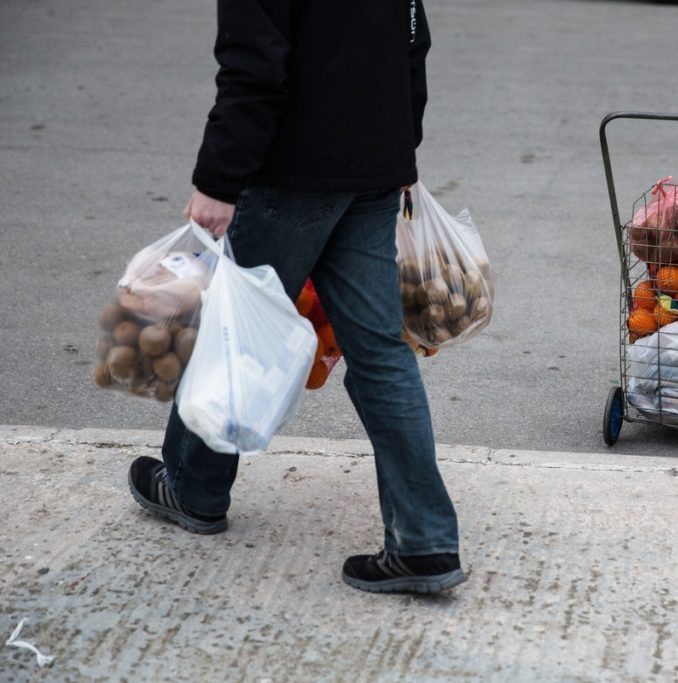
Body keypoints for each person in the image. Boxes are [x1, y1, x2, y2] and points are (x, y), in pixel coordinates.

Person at [126, 0, 465, 595]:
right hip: (374, 172)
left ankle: (193, 489)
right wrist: (401, 148)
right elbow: (413, 41)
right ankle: (425, 542)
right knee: (382, 353)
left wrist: (217, 181)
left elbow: (253, 68)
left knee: (233, 332)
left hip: (291, 177)